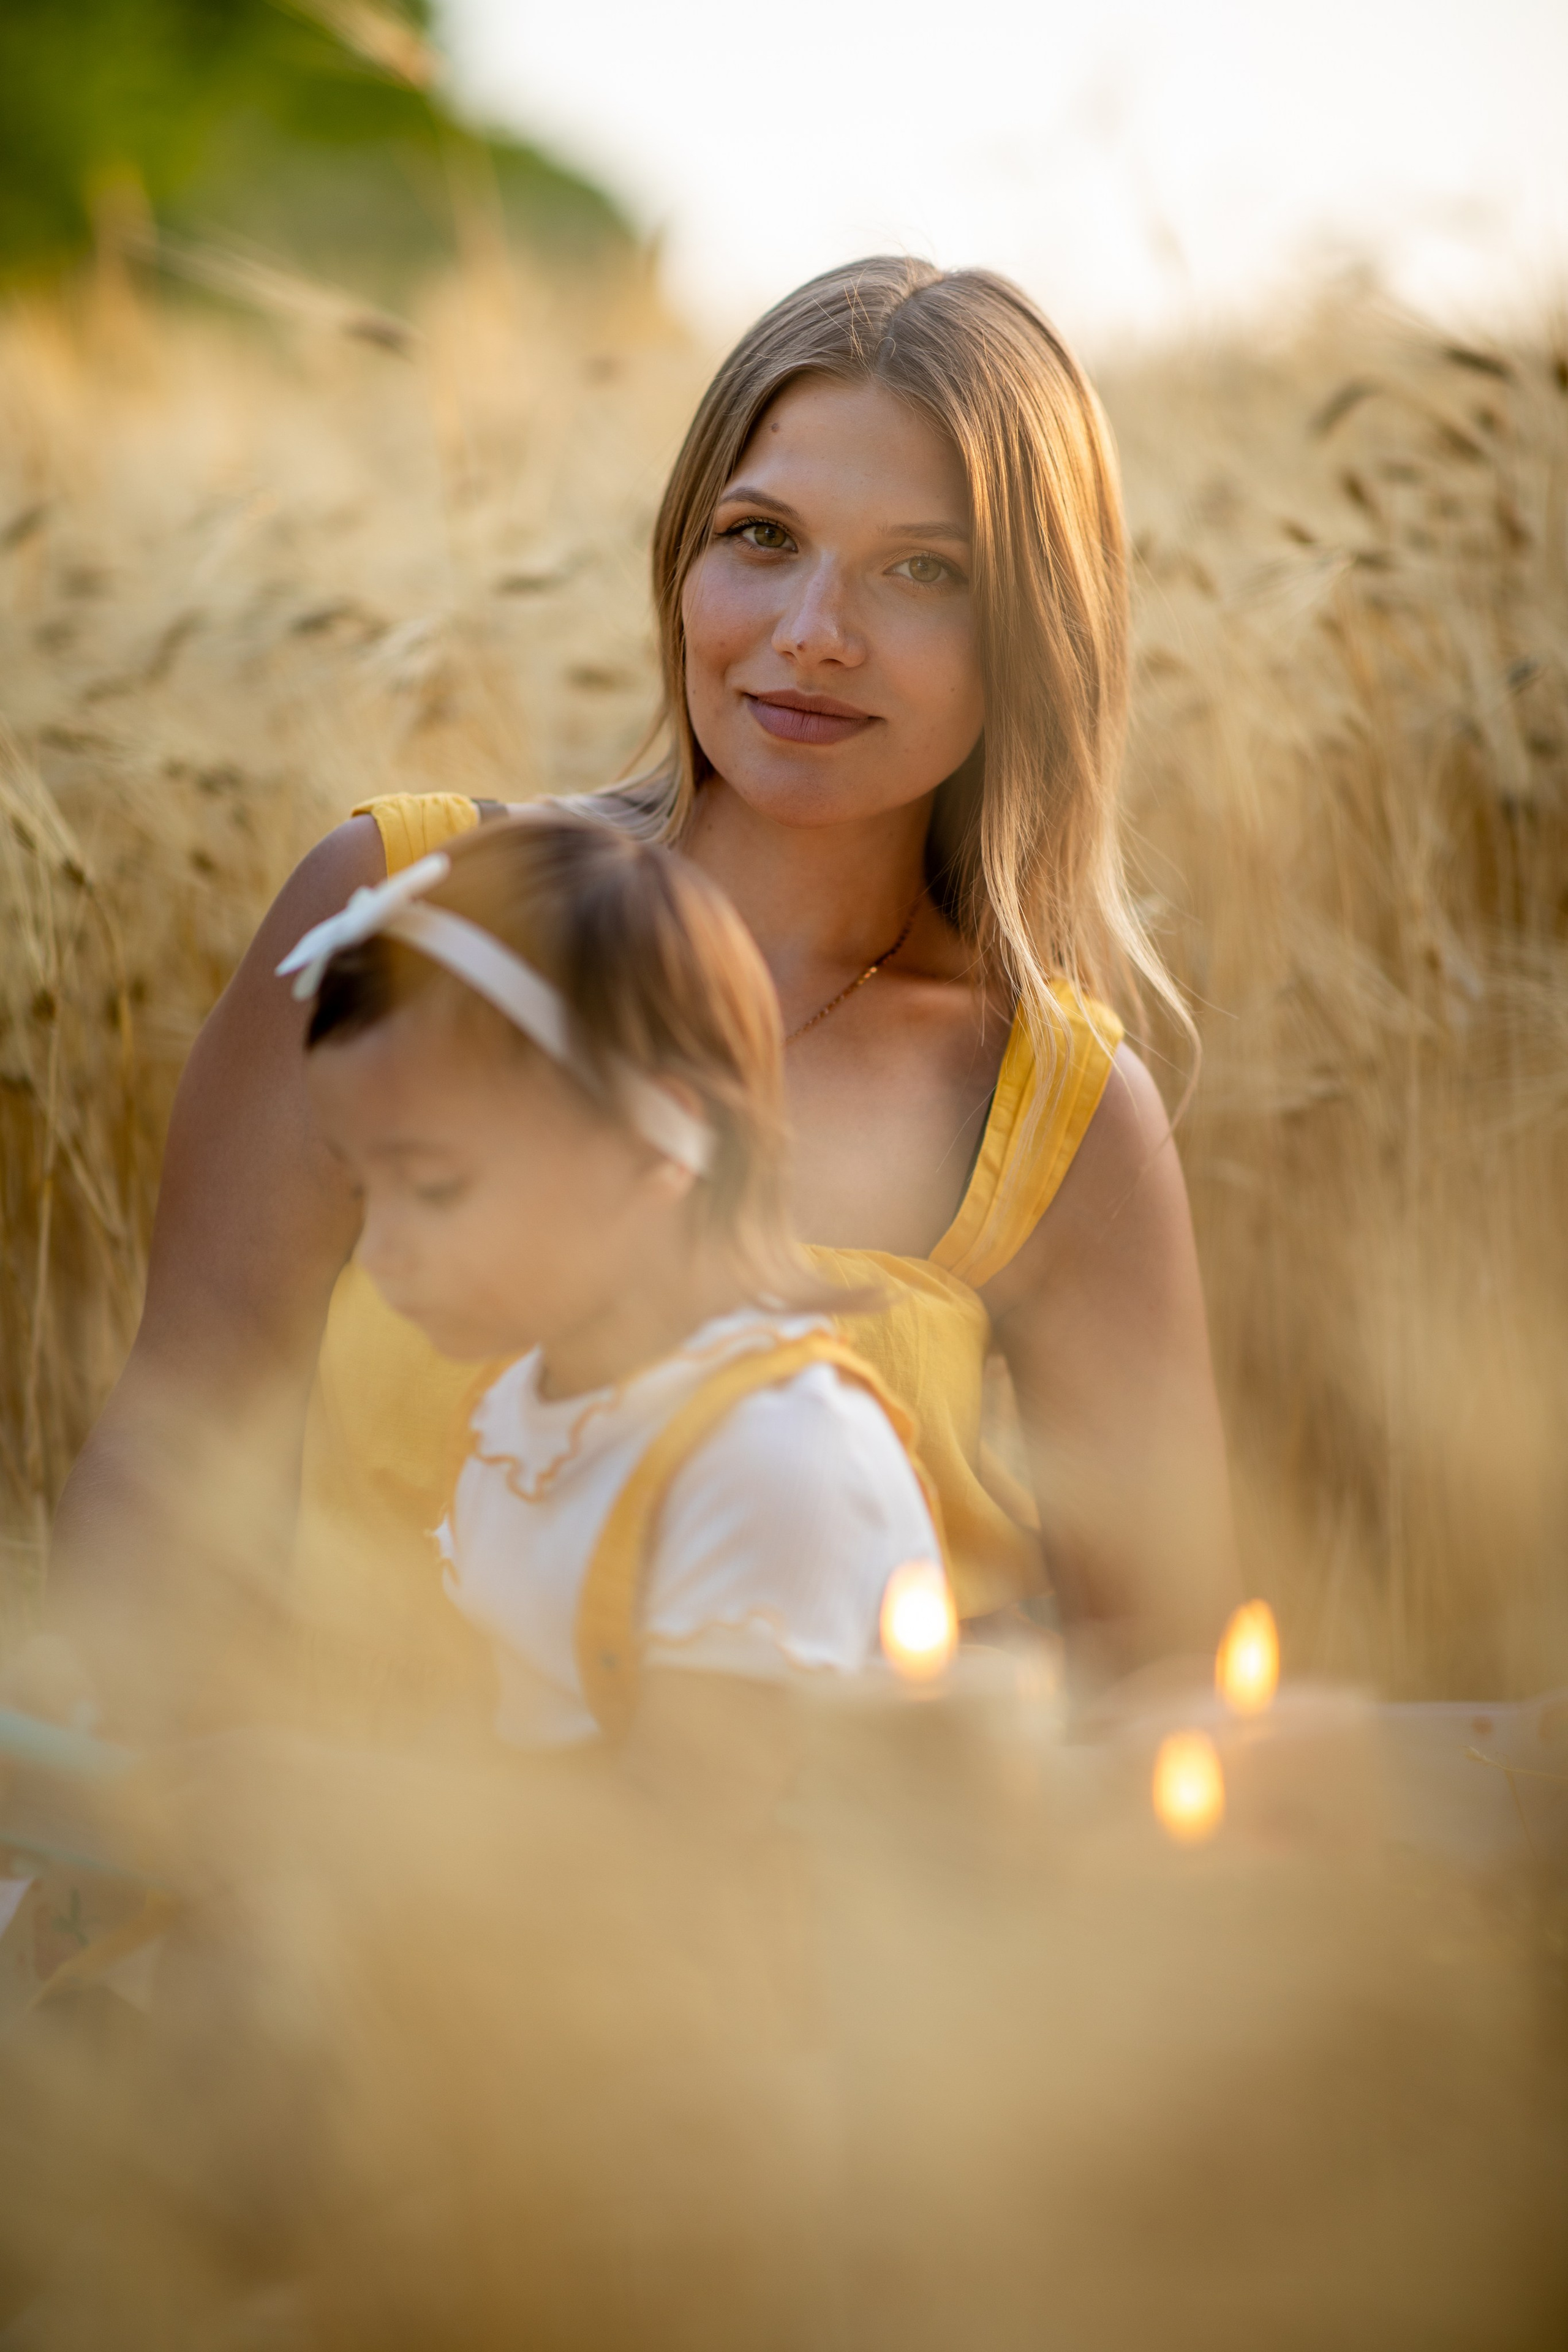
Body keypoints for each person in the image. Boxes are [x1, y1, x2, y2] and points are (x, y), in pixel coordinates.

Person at [49, 254, 1238, 1729]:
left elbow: (1159, 1700)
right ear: (682, 560)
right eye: (762, 536)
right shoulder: (402, 914)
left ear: (1038, 635)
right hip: (328, 1903)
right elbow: (173, 1474)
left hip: (797, 1946)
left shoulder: (1054, 1112)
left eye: (922, 569)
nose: (814, 627)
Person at [287, 804, 944, 1764]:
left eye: (433, 1186)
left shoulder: (776, 1459)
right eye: (361, 1187)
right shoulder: (527, 1406)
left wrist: (342, 1814)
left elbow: (678, 1849)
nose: (378, 1248)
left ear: (650, 1147)